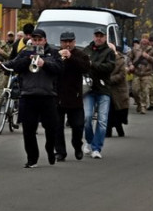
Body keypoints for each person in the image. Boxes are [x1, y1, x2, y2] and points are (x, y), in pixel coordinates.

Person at [0, 28, 62, 168]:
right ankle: (32, 158)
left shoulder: (53, 52)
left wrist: (44, 64)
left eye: (40, 40)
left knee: (51, 128)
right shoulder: (26, 52)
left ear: (45, 40)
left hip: (48, 96)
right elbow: (14, 65)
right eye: (35, 40)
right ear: (31, 40)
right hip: (28, 95)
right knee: (28, 130)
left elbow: (59, 68)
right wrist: (27, 60)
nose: (37, 42)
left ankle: (50, 149)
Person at [54, 31, 90, 162]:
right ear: (61, 42)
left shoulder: (81, 55)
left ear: (74, 42)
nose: (67, 44)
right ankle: (60, 152)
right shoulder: (55, 54)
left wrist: (71, 57)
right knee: (57, 126)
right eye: (64, 42)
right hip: (58, 96)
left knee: (78, 125)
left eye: (70, 41)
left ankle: (77, 146)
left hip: (75, 97)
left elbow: (86, 68)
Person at [82, 27, 116, 159]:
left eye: (101, 35)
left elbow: (109, 67)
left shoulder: (109, 52)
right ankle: (89, 142)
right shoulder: (86, 50)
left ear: (105, 37)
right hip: (89, 89)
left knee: (102, 121)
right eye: (96, 35)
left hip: (103, 89)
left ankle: (97, 148)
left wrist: (92, 65)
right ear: (93, 36)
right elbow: (82, 66)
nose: (99, 38)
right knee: (87, 117)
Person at [127, 34, 153, 114]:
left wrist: (148, 57)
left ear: (148, 40)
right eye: (143, 38)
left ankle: (143, 106)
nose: (144, 40)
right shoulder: (135, 48)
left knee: (145, 91)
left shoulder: (152, 50)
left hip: (146, 74)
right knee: (135, 90)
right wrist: (130, 65)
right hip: (136, 73)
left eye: (146, 38)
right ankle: (139, 104)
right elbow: (129, 58)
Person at [107, 45, 129, 137]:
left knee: (118, 112)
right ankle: (108, 131)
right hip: (106, 90)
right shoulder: (104, 60)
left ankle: (119, 129)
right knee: (108, 112)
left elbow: (121, 75)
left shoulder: (121, 61)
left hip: (118, 90)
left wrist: (109, 79)